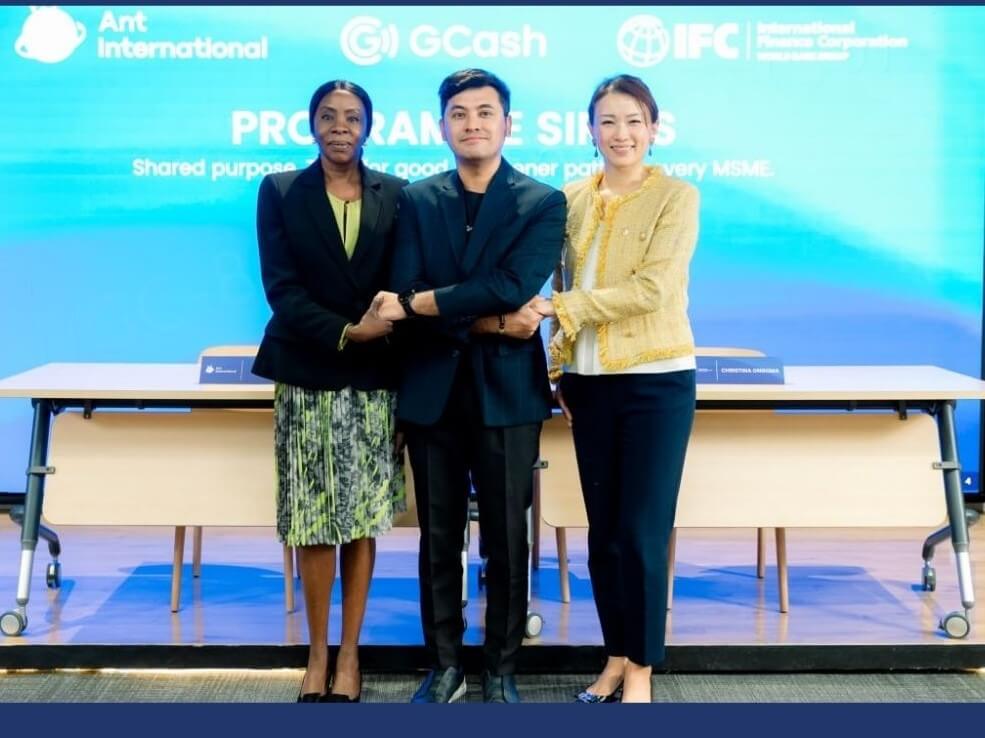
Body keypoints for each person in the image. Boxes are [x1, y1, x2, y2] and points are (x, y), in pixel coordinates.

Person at [373, 68, 565, 703]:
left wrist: (431, 304)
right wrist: (482, 317)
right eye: (460, 113)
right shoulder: (417, 199)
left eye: (486, 112)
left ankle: (501, 668)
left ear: (508, 124)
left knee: (509, 539)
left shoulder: (542, 202)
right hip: (433, 389)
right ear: (442, 126)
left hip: (507, 393)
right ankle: (446, 664)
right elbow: (403, 296)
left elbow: (515, 286)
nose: (473, 123)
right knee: (438, 537)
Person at [532, 74, 699, 704]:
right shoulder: (571, 198)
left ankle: (643, 671)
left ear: (653, 128)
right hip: (590, 385)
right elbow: (555, 287)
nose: (620, 134)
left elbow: (653, 290)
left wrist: (561, 309)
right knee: (603, 533)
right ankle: (615, 655)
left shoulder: (676, 197)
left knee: (641, 530)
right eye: (608, 121)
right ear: (591, 129)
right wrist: (559, 373)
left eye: (633, 121)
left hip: (656, 381)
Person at [251, 79, 408, 703]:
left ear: (369, 126)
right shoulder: (281, 191)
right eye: (328, 116)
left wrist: (381, 326)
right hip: (309, 371)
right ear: (310, 124)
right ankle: (316, 655)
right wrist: (348, 331)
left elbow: (405, 279)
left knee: (362, 518)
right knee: (313, 520)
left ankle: (350, 655)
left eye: (352, 117)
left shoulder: (396, 194)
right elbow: (282, 290)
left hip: (375, 381)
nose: (340, 126)